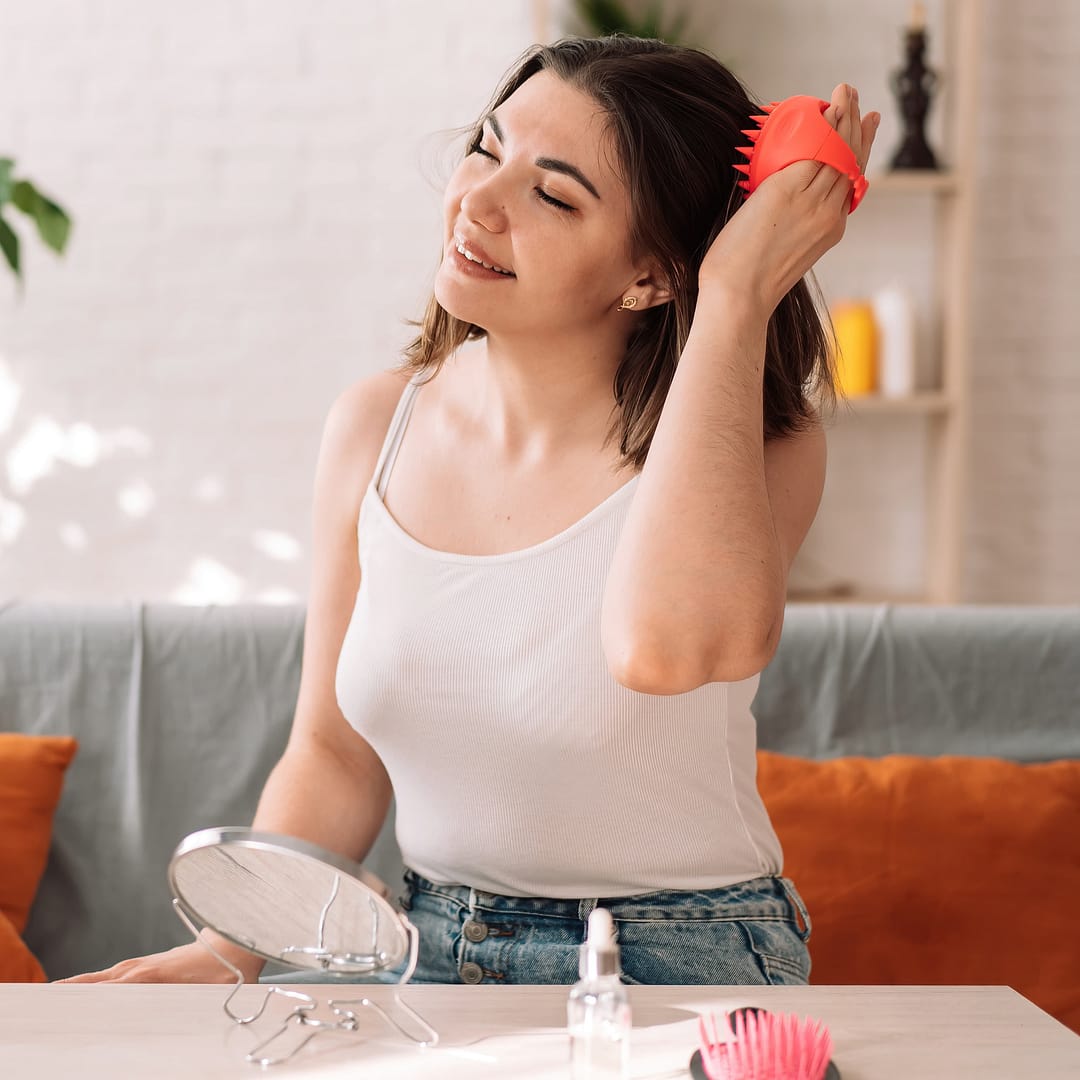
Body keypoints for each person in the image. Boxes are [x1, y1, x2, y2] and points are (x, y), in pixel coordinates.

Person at [63, 35, 879, 987]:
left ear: (654, 277)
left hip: (675, 954)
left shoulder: (762, 448)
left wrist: (737, 291)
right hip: (426, 949)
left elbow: (667, 650)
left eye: (554, 194)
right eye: (489, 150)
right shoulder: (375, 426)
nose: (479, 203)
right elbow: (333, 755)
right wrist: (225, 953)